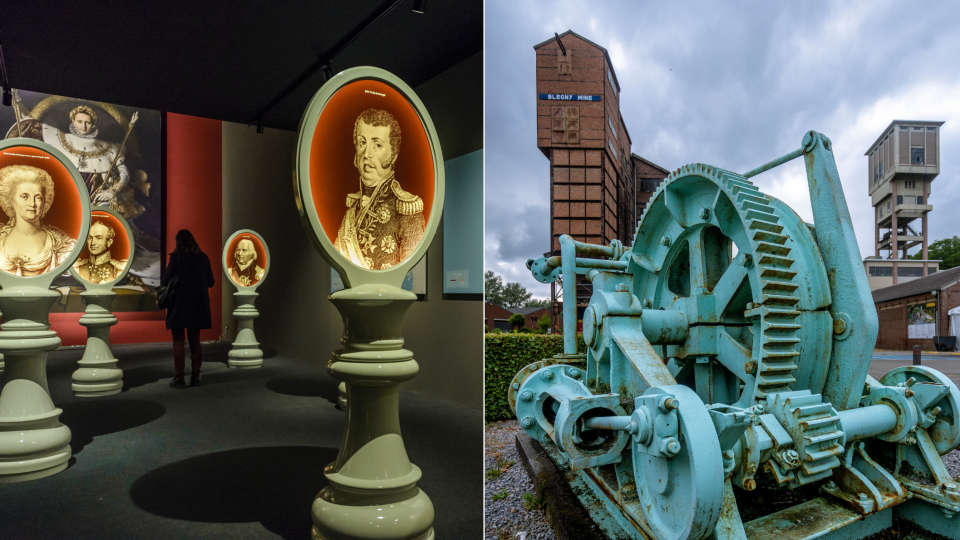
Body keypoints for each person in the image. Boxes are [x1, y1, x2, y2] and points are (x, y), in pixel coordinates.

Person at [7, 90, 147, 220]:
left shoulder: (110, 148)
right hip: (64, 194)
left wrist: (112, 190)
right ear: (73, 121)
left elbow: (124, 173)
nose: (83, 126)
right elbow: (29, 123)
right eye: (79, 122)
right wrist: (17, 101)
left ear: (93, 123)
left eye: (87, 122)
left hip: (94, 197)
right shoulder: (58, 137)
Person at [335, 108, 425, 270]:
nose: (367, 153)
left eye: (377, 145)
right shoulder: (352, 209)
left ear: (393, 154)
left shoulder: (406, 212)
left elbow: (410, 274)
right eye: (362, 143)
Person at [0, 164, 77, 276]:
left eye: (38, 197)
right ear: (10, 200)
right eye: (24, 196)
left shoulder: (62, 246)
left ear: (45, 201)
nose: (32, 204)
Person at [161, 229, 214, 388]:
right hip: (197, 305)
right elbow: (211, 282)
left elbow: (165, 280)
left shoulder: (176, 258)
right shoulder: (203, 258)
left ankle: (179, 378)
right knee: (195, 340)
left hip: (179, 305)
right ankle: (196, 376)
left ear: (178, 242)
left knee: (178, 341)